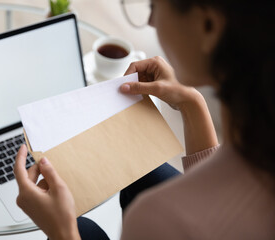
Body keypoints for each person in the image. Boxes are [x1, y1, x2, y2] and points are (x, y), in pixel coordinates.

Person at [14, 0, 275, 239]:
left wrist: (62, 232)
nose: (151, 22)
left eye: (154, 6)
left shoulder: (156, 219)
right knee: (147, 171)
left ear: (208, 26)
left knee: (81, 228)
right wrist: (191, 102)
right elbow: (219, 198)